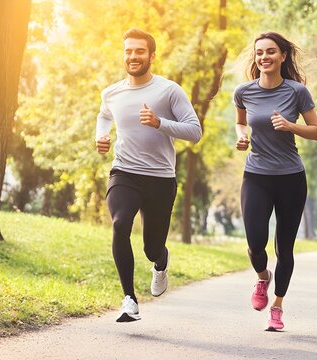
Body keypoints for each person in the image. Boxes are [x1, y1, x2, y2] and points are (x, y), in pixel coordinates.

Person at [96, 28, 202, 323]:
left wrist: (159, 123)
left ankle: (161, 259)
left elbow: (195, 131)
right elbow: (104, 115)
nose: (133, 56)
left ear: (151, 56)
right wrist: (101, 136)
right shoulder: (112, 92)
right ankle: (129, 299)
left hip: (160, 178)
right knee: (120, 224)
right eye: (128, 51)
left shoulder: (168, 90)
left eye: (139, 51)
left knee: (151, 247)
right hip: (124, 172)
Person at [233, 32, 317, 331]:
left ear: (283, 56)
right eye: (259, 53)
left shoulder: (297, 92)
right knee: (255, 242)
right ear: (255, 57)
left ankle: (278, 306)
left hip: (290, 178)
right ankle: (261, 277)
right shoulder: (244, 91)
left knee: (285, 248)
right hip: (256, 175)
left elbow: (316, 130)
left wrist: (290, 126)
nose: (264, 57)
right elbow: (241, 122)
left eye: (271, 52)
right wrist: (242, 136)